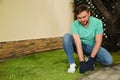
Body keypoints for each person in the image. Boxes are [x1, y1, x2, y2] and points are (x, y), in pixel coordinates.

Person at [62, 5, 113, 74]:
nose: (82, 20)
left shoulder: (97, 22)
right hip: (80, 45)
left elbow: (98, 42)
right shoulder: (74, 24)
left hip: (92, 47)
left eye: (84, 17)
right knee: (66, 37)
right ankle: (72, 64)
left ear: (89, 14)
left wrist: (91, 59)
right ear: (76, 16)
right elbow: (78, 43)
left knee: (108, 61)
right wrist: (82, 62)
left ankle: (89, 58)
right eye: (79, 18)